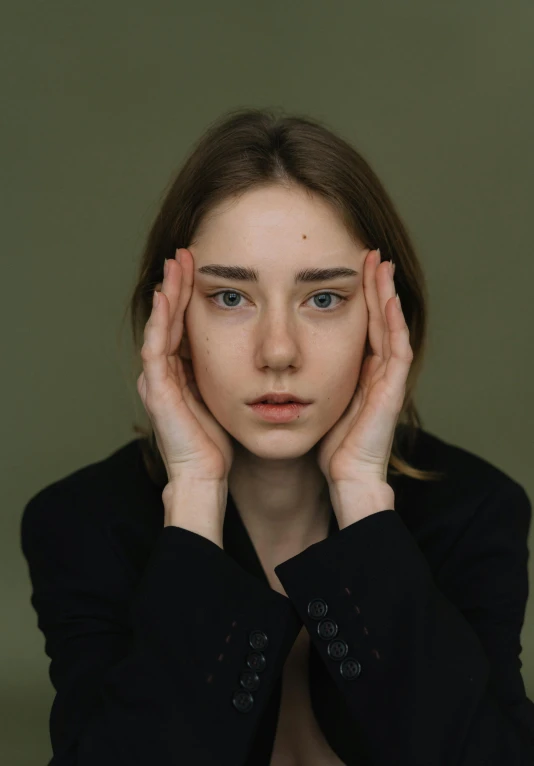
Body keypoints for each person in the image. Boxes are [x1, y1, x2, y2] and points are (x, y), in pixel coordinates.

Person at [20, 108, 534, 765]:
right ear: (170, 319)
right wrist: (195, 500)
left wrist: (362, 500)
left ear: (384, 321)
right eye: (231, 298)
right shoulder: (83, 523)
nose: (279, 352)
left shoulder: (475, 510)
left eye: (324, 298)